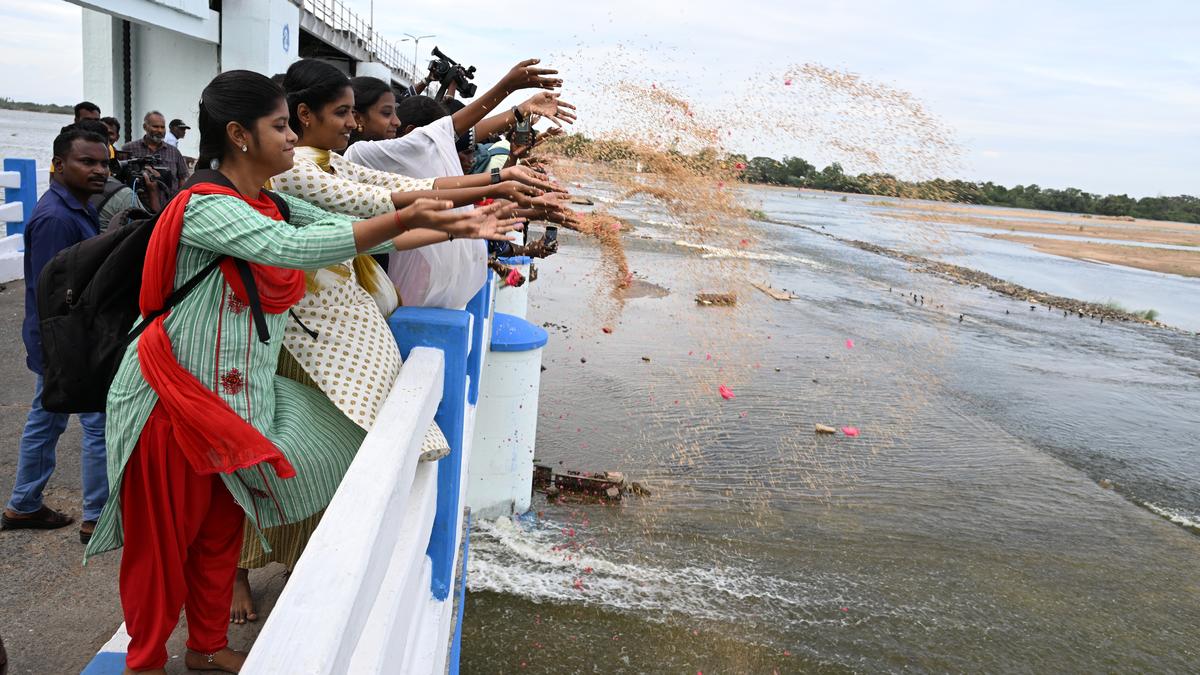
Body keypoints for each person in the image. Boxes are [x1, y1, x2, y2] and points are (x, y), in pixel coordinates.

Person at [82, 69, 520, 675]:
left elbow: (338, 228)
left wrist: (447, 220)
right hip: (170, 401)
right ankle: (146, 661)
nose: (293, 137)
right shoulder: (203, 208)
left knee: (219, 533)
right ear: (238, 135)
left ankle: (206, 650)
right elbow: (292, 250)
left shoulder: (270, 201)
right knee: (162, 547)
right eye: (281, 125)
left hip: (235, 402)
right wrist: (424, 217)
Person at [1, 127, 111, 544]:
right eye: (88, 162)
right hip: (67, 342)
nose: (99, 170)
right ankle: (96, 517)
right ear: (59, 165)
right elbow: (56, 294)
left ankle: (24, 504)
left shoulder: (77, 206)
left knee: (46, 420)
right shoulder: (55, 218)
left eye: (103, 162)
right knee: (97, 424)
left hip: (65, 340)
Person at [121, 111, 190, 195]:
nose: (159, 130)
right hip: (137, 203)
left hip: (168, 204)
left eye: (162, 127)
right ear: (145, 127)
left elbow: (183, 178)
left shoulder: (174, 152)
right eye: (155, 127)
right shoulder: (129, 149)